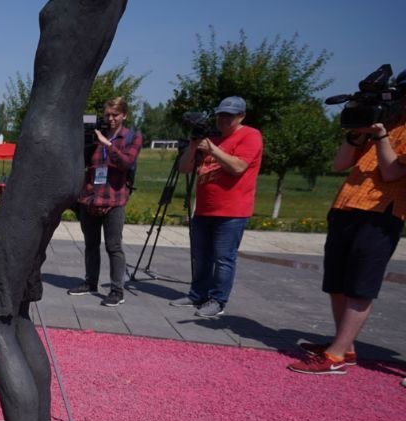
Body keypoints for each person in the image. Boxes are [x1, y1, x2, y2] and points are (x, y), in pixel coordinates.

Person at [288, 113, 406, 375]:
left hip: (382, 213)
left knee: (360, 285)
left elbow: (391, 172)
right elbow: (340, 163)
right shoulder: (384, 124)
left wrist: (381, 136)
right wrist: (355, 134)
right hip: (346, 206)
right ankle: (345, 346)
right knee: (337, 282)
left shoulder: (388, 131)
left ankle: (336, 355)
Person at [169, 96, 263, 318]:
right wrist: (193, 145)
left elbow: (238, 167)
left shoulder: (250, 136)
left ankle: (217, 300)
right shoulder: (212, 138)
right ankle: (197, 294)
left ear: (241, 116)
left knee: (223, 258)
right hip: (204, 208)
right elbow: (184, 168)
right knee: (200, 256)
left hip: (232, 211)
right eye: (221, 115)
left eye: (229, 116)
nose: (223, 120)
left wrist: (211, 149)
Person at [68, 97, 142, 306]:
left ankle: (117, 290)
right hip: (90, 198)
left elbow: (127, 163)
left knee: (113, 246)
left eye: (115, 115)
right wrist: (85, 141)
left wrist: (107, 144)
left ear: (124, 115)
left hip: (113, 199)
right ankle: (90, 282)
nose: (110, 119)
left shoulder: (131, 137)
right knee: (91, 245)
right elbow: (81, 163)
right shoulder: (94, 136)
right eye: (107, 114)